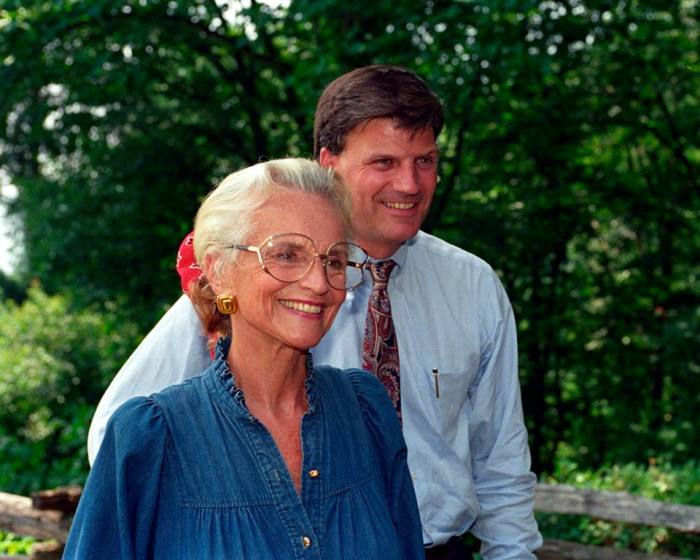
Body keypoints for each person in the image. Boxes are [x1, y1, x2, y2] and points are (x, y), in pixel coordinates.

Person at [88, 65, 542, 558]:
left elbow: (500, 457)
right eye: (384, 162)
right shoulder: (246, 281)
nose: (410, 183)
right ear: (329, 164)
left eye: (425, 160)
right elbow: (121, 444)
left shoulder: (472, 285)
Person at [65, 158, 424, 559]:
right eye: (287, 254)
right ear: (219, 271)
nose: (320, 282)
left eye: (334, 260)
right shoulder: (150, 440)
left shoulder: (366, 413)